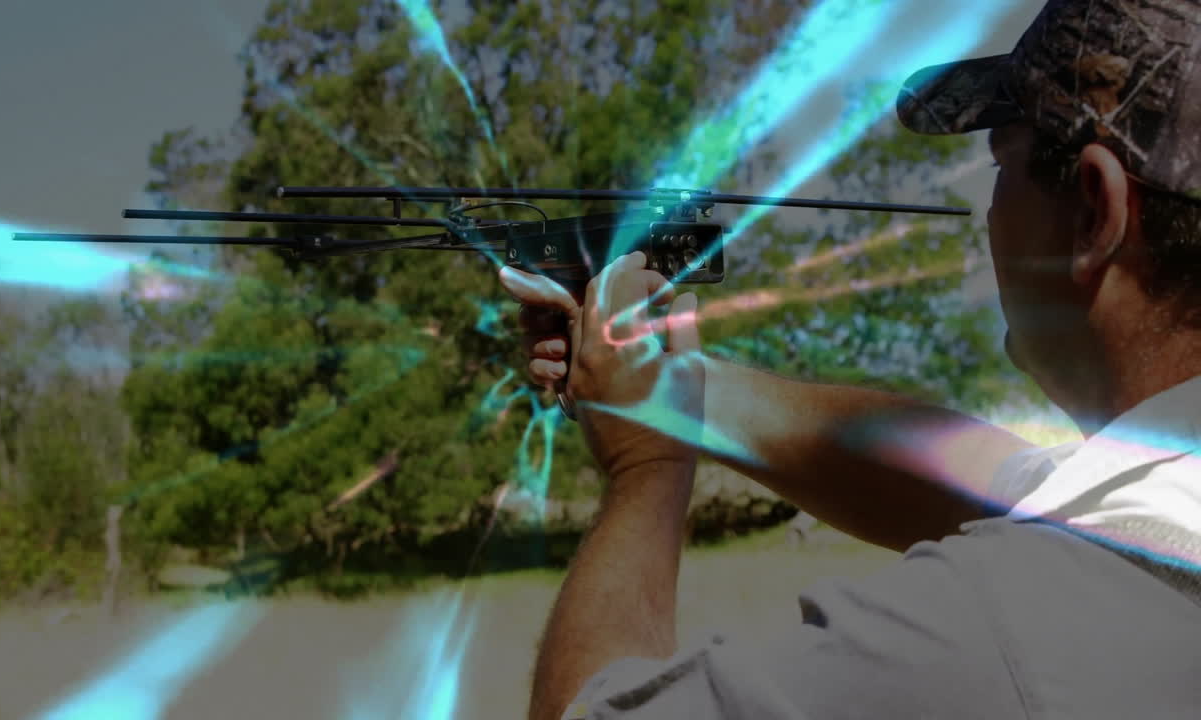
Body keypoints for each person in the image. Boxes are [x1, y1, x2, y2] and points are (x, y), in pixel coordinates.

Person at [497, 1, 1201, 718]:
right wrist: (683, 398)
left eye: (1002, 162)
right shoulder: (1160, 520)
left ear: (1094, 211)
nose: (990, 213)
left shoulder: (1002, 631)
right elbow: (990, 479)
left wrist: (646, 465)